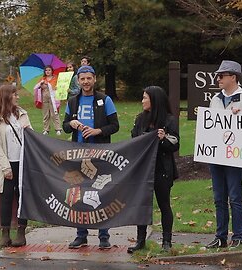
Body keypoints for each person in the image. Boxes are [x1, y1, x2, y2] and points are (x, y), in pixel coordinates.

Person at [62, 65, 119, 249]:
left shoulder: (105, 100)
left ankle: (104, 235)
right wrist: (72, 123)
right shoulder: (72, 101)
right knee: (78, 193)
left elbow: (115, 125)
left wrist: (98, 131)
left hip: (100, 153)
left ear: (94, 79)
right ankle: (81, 234)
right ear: (78, 81)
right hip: (78, 153)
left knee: (102, 193)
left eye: (89, 78)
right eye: (82, 79)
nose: (86, 82)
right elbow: (64, 126)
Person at [206, 60, 242, 249]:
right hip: (217, 156)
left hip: (235, 157)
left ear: (233, 77)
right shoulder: (215, 99)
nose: (218, 78)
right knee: (219, 197)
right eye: (218, 75)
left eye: (222, 75)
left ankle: (237, 237)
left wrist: (241, 116)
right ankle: (220, 237)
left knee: (235, 196)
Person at [127, 86, 179, 253]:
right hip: (143, 170)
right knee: (141, 204)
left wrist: (163, 139)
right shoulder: (140, 119)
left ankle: (166, 241)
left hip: (162, 169)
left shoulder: (169, 120)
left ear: (154, 100)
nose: (142, 101)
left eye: (145, 98)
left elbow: (175, 144)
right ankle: (140, 240)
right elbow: (133, 140)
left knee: (164, 204)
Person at [0, 84, 32, 247]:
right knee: (6, 197)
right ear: (6, 97)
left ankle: (21, 232)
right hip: (6, 164)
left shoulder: (23, 115)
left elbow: (31, 137)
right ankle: (5, 232)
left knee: (23, 197)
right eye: (14, 94)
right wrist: (6, 168)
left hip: (22, 162)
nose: (17, 97)